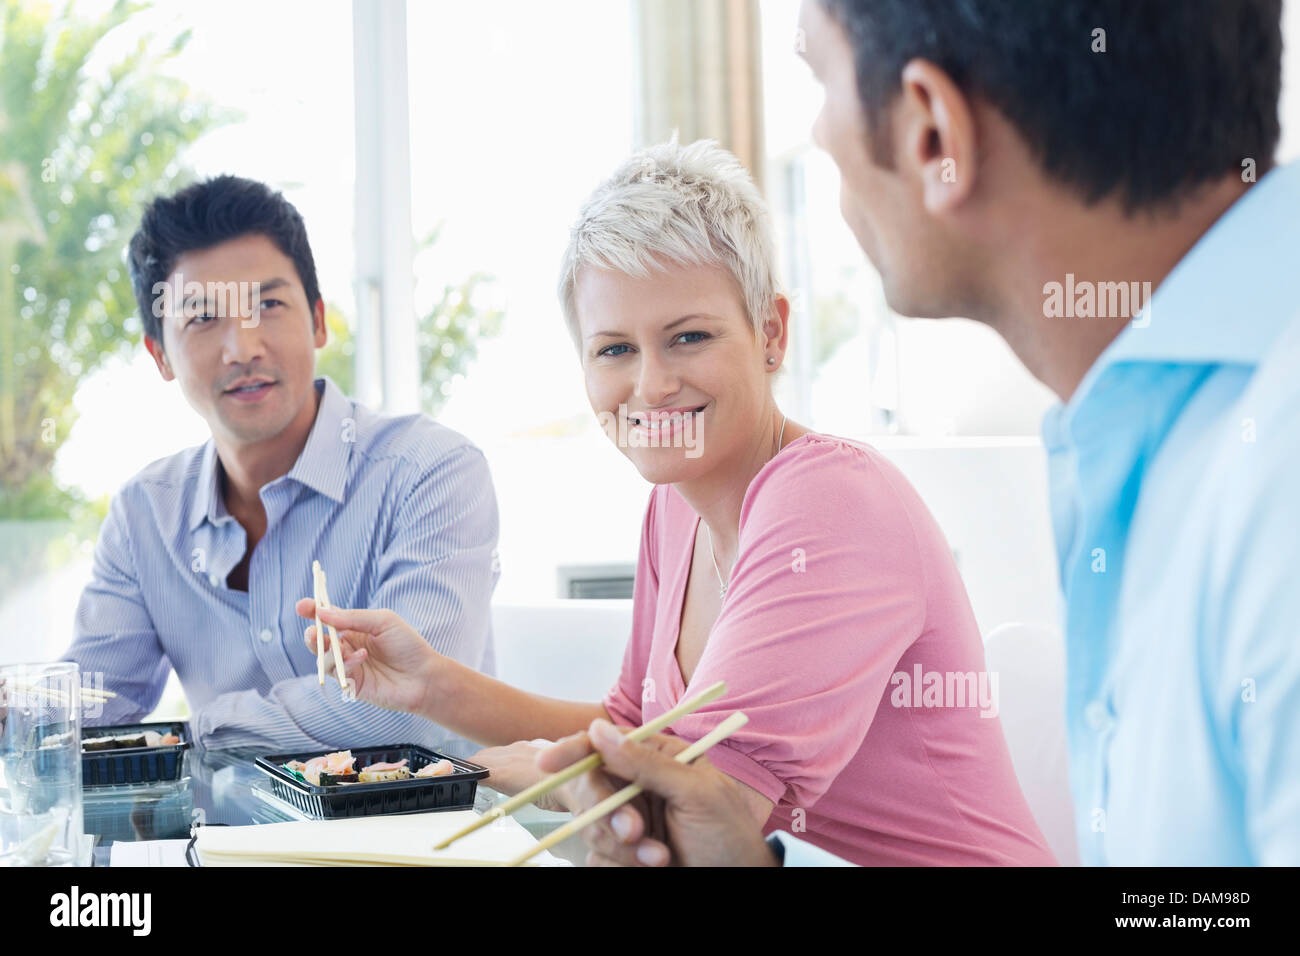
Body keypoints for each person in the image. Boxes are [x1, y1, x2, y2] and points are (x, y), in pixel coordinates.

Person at [540, 0, 1300, 867]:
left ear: (934, 133)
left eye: (818, 79)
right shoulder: (1160, 441)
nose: (819, 137)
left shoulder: (1272, 469)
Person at [298, 140, 1055, 866]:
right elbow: (630, 732)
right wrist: (433, 686)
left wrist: (492, 773)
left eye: (688, 337)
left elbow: (695, 807)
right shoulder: (675, 510)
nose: (651, 386)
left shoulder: (829, 502)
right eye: (615, 349)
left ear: (771, 334)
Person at [61, 175, 499, 752]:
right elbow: (90, 710)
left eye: (268, 305)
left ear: (318, 320)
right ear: (160, 355)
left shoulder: (430, 471)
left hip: (420, 835)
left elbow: (406, 712)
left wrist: (199, 736)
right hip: (220, 843)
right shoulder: (145, 513)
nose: (243, 347)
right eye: (202, 317)